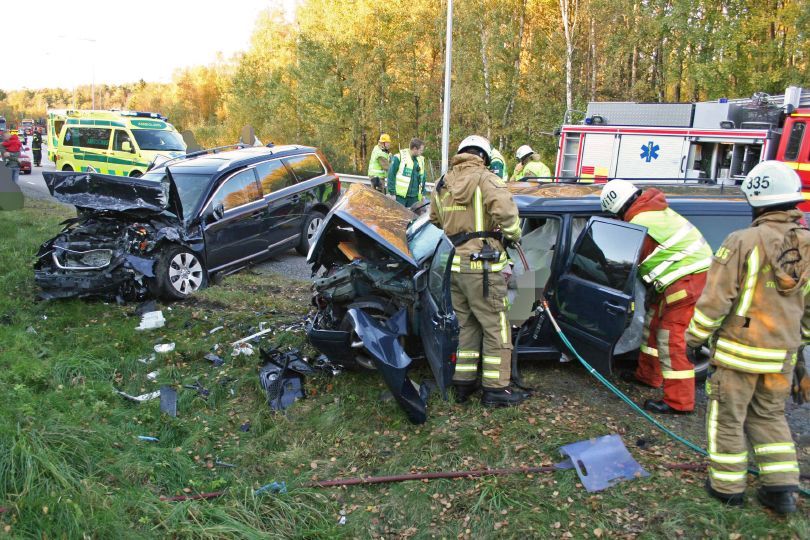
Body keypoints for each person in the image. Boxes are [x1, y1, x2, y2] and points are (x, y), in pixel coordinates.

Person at [685, 161, 810, 515]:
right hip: (781, 356)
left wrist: (694, 338)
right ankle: (782, 490)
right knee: (770, 417)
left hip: (738, 353)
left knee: (727, 418)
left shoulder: (743, 241)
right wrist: (798, 342)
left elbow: (716, 300)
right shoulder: (808, 246)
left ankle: (726, 487)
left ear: (757, 199)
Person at [429, 135, 526, 407]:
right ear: (483, 156)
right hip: (482, 269)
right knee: (497, 328)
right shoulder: (487, 179)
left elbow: (434, 219)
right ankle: (496, 390)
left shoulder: (442, 183)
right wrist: (512, 234)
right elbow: (508, 214)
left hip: (454, 267)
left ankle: (463, 383)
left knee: (466, 326)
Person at [600, 179, 711, 414]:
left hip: (686, 280)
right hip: (673, 280)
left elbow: (625, 261)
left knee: (671, 340)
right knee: (652, 327)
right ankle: (648, 376)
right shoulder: (651, 209)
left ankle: (679, 402)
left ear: (617, 208)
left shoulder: (640, 222)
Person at [387, 138, 426, 207]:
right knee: (400, 216)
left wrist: (423, 193)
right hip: (400, 197)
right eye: (420, 150)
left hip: (415, 197)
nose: (421, 152)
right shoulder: (399, 158)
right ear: (414, 149)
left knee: (414, 217)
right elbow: (391, 175)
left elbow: (423, 178)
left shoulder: (421, 160)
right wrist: (392, 193)